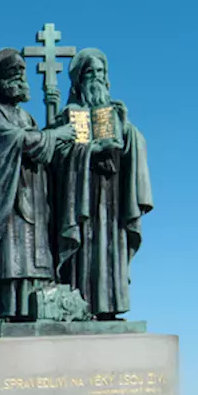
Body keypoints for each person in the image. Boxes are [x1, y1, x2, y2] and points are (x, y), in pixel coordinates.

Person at [0, 48, 77, 320]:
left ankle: (33, 308)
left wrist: (55, 126)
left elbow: (43, 151)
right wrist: (53, 135)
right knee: (10, 256)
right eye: (12, 74)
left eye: (21, 74)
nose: (19, 79)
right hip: (6, 196)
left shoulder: (27, 117)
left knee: (35, 255)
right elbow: (17, 141)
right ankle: (4, 308)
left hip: (34, 195)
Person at [52, 48, 153, 318]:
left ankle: (110, 307)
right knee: (85, 250)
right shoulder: (74, 114)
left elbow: (131, 147)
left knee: (111, 249)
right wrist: (93, 150)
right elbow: (60, 154)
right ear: (79, 79)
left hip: (113, 195)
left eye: (100, 72)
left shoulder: (113, 113)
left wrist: (127, 127)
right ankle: (81, 307)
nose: (96, 77)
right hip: (83, 196)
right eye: (90, 72)